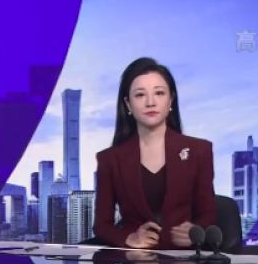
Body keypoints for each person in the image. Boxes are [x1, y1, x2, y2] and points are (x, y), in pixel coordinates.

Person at [93, 57, 216, 250]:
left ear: (171, 100)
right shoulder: (110, 159)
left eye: (159, 93)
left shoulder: (199, 151)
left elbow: (208, 215)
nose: (151, 102)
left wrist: (195, 232)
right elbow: (102, 226)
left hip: (185, 261)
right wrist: (129, 238)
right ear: (128, 105)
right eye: (140, 95)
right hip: (134, 262)